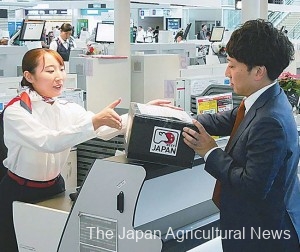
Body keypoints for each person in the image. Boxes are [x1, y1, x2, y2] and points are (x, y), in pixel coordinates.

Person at [0, 48, 177, 251]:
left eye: (61, 69)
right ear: (29, 76)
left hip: (55, 187)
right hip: (19, 190)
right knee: (14, 245)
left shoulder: (66, 107)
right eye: (50, 71)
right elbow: (49, 142)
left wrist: (143, 113)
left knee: (52, 243)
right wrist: (93, 121)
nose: (59, 77)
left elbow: (105, 129)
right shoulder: (17, 111)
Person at [183, 19, 300, 252]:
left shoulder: (270, 120)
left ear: (258, 71)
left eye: (232, 65)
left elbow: (251, 186)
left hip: (263, 236)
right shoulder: (266, 98)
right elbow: (225, 120)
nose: (227, 73)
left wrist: (210, 152)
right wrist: (181, 119)